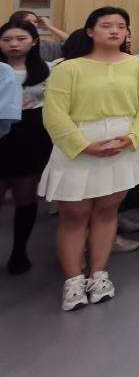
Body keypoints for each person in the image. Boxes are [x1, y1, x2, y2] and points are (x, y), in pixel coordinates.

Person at [39, 7, 139, 311]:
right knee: (74, 215)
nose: (115, 30)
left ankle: (98, 274)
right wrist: (82, 145)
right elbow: (54, 113)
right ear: (90, 31)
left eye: (121, 26)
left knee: (107, 211)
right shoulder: (69, 68)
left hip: (123, 143)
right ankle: (73, 279)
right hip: (79, 144)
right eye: (106, 25)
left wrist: (133, 137)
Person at [0, 20, 53, 274]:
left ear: (34, 41)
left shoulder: (49, 70)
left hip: (31, 140)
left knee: (25, 198)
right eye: (6, 39)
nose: (13, 44)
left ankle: (19, 251)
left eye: (20, 39)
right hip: (1, 137)